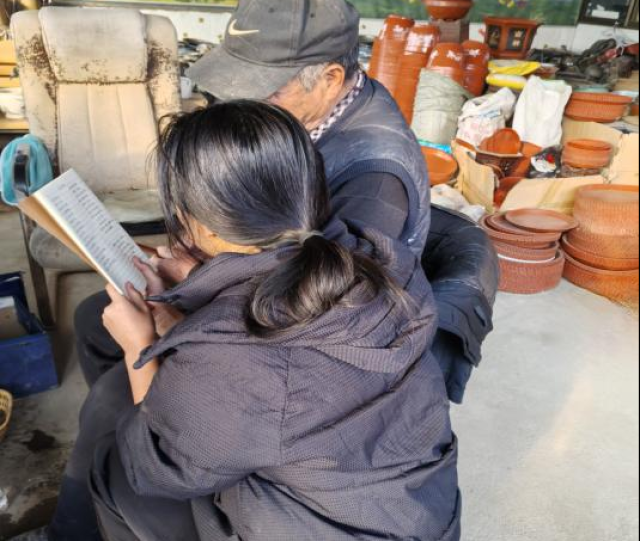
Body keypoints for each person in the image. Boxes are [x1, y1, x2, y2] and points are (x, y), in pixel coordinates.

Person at [17, 101, 462, 541]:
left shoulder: (240, 358)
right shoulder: (376, 254)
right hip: (408, 505)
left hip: (333, 528)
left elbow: (154, 469)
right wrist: (204, 282)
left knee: (114, 467)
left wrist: (139, 344)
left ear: (207, 228)